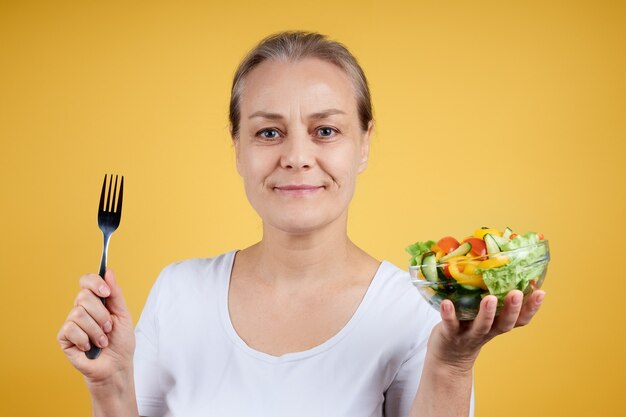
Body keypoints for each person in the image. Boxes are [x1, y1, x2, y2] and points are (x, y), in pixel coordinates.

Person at [57, 31, 545, 417]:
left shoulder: (414, 309)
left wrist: (453, 366)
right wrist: (110, 386)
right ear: (238, 148)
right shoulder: (178, 291)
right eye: (269, 132)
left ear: (364, 144)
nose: (296, 157)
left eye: (325, 131)